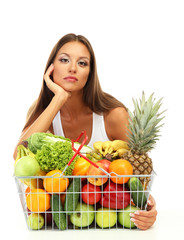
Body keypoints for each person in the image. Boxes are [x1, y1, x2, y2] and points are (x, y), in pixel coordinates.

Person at [13, 33, 157, 230]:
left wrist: (148, 208)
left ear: (90, 73)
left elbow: (137, 178)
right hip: (55, 220)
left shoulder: (114, 116)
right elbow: (18, 155)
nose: (72, 68)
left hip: (109, 222)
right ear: (51, 69)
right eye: (64, 60)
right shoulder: (43, 114)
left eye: (82, 63)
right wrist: (58, 99)